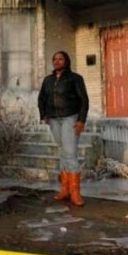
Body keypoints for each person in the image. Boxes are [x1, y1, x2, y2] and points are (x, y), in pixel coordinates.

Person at [37, 51, 89, 206]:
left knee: (71, 153)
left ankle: (75, 193)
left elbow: (84, 100)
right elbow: (41, 98)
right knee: (62, 152)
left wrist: (81, 120)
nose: (57, 61)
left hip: (70, 118)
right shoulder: (48, 80)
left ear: (67, 61)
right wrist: (44, 115)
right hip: (54, 120)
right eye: (54, 59)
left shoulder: (75, 78)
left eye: (60, 59)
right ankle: (65, 190)